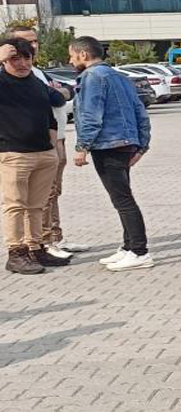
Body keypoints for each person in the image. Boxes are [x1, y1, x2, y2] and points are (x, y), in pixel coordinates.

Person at [67, 36, 155, 272]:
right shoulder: (120, 76)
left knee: (122, 199)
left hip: (108, 145)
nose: (70, 59)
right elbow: (141, 112)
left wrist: (82, 147)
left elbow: (90, 114)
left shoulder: (91, 77)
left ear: (83, 54)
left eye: (72, 55)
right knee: (122, 197)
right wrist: (141, 145)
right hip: (124, 144)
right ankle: (128, 246)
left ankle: (139, 251)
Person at [7, 25, 87, 260]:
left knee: (45, 198)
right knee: (23, 202)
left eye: (34, 43)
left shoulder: (36, 74)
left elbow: (61, 97)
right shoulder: (7, 78)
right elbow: (56, 96)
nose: (32, 47)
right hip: (20, 151)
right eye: (24, 44)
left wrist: (53, 147)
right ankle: (28, 247)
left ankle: (47, 241)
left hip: (50, 145)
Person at [1, 38, 67, 275]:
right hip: (14, 154)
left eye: (26, 57)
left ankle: (36, 247)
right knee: (15, 206)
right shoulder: (2, 82)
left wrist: (52, 146)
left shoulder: (36, 83)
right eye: (14, 58)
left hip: (44, 153)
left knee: (37, 206)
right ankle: (16, 253)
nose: (21, 63)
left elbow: (53, 107)